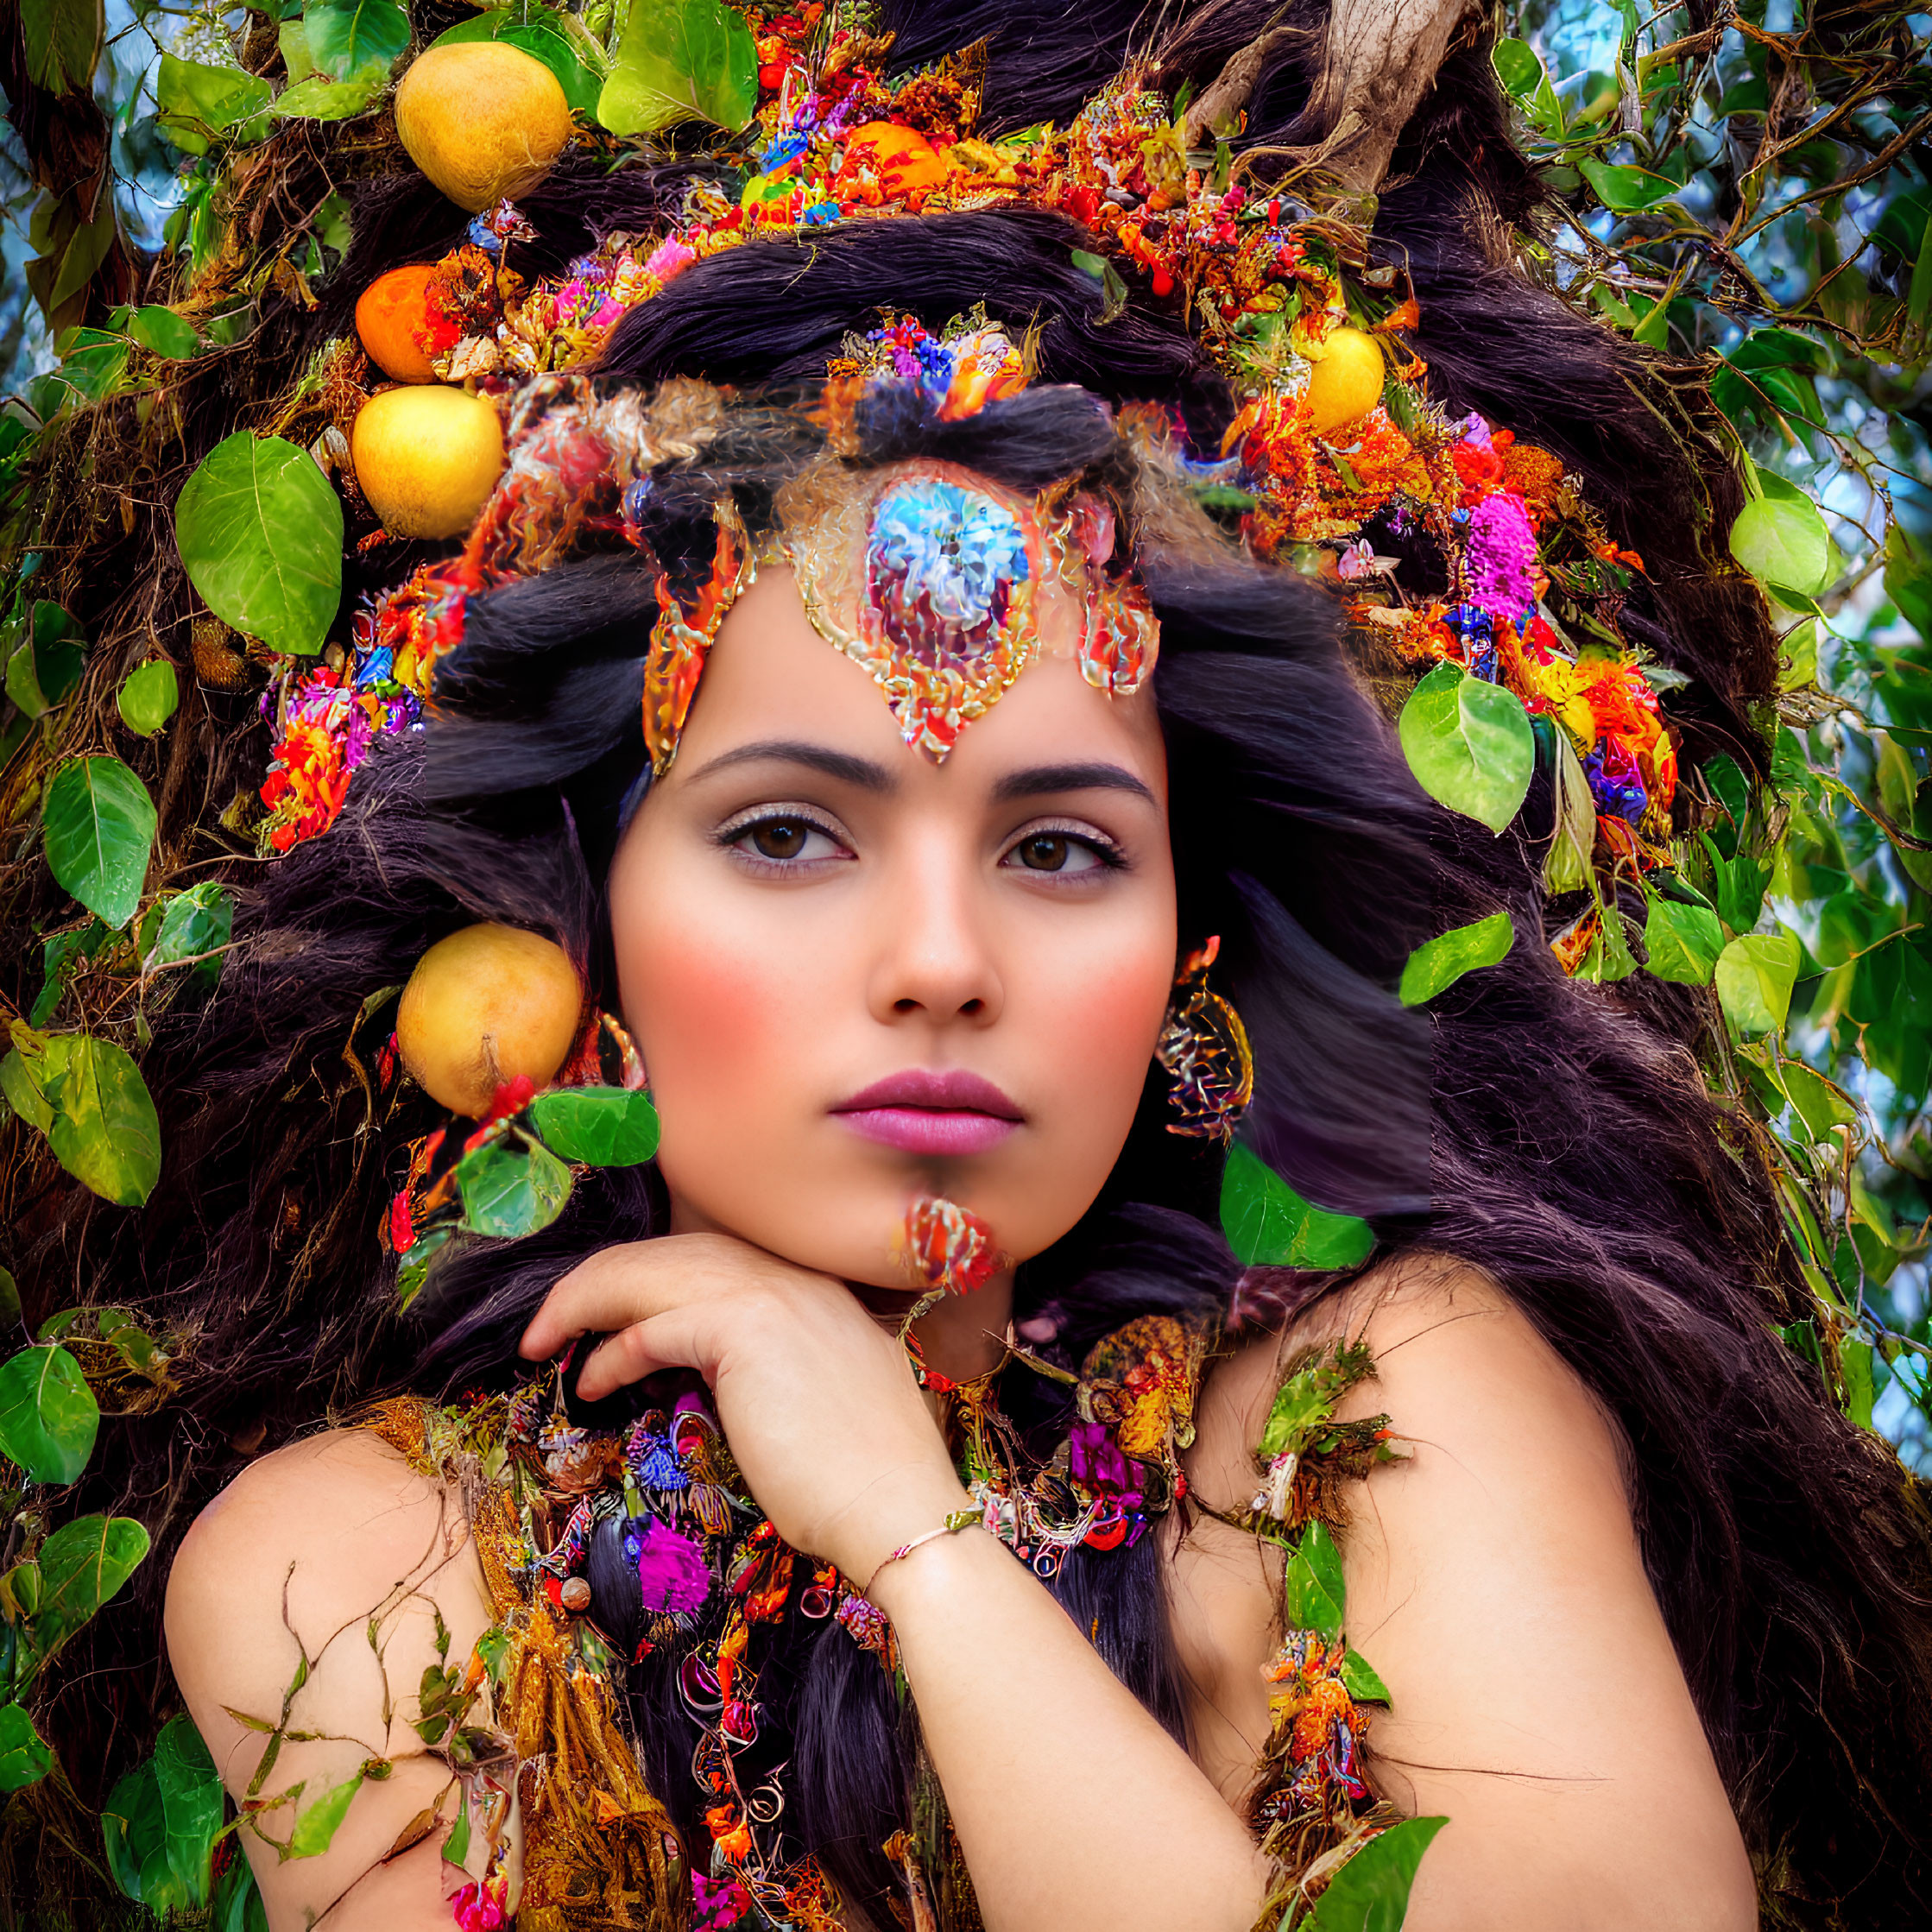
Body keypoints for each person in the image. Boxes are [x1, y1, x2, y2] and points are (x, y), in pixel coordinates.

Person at [38, 9, 1932, 1932]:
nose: (942, 964)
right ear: (582, 923)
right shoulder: (358, 1565)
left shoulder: (1388, 1416)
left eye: (1057, 851)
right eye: (788, 834)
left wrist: (919, 1542)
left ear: (1188, 944)